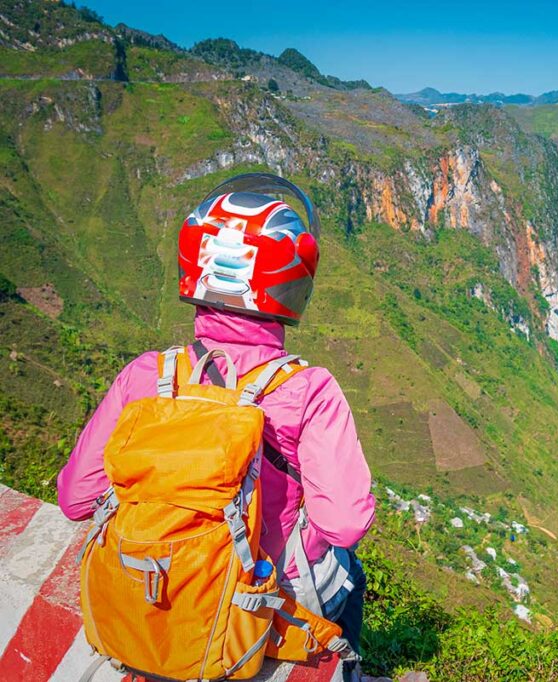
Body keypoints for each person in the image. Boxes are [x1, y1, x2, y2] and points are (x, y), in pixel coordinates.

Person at [57, 173, 375, 681]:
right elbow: (344, 522)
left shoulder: (147, 375)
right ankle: (345, 670)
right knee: (350, 570)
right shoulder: (308, 389)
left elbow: (75, 500)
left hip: (155, 580)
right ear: (293, 281)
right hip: (260, 596)